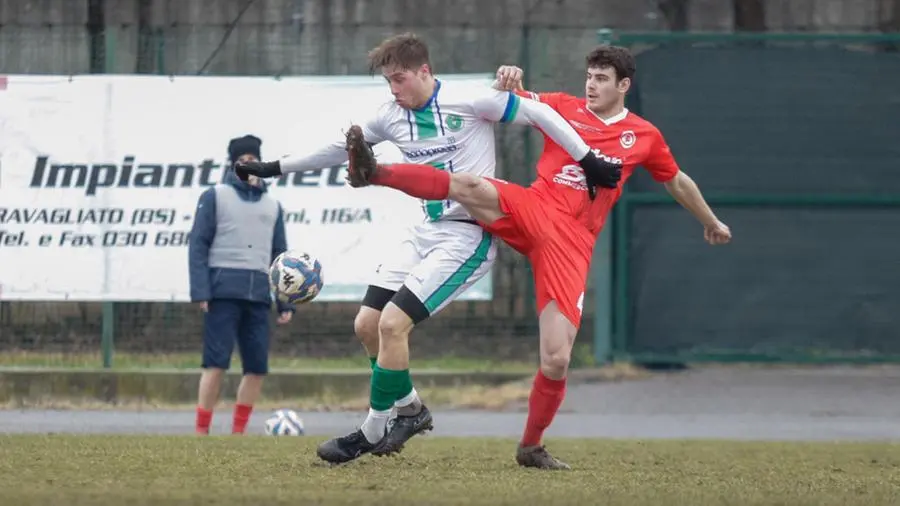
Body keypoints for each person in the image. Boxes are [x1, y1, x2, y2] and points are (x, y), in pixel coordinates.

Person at [234, 33, 620, 463]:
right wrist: (273, 168)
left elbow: (540, 112)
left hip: (467, 235)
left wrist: (587, 158)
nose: (394, 90)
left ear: (424, 72)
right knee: (366, 325)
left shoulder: (473, 100)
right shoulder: (390, 115)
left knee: (393, 325)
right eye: (387, 82)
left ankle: (371, 430)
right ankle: (411, 409)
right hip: (426, 231)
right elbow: (335, 149)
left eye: (399, 79)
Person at [341, 44, 731, 469]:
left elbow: (676, 181)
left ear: (624, 86)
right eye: (589, 76)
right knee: (470, 185)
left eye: (602, 79)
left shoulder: (644, 136)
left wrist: (710, 221)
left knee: (557, 358)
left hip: (571, 242)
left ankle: (530, 447)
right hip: (533, 208)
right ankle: (374, 172)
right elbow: (499, 102)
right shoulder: (563, 107)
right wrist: (508, 78)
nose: (591, 84)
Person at [188, 134, 294, 435]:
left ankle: (238, 433)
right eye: (243, 160)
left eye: (253, 159)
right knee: (216, 364)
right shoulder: (215, 196)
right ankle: (202, 431)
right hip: (222, 292)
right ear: (233, 164)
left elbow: (279, 255)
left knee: (257, 368)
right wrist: (201, 290)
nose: (249, 165)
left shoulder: (273, 206)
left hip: (259, 295)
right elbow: (198, 244)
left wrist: (284, 300)